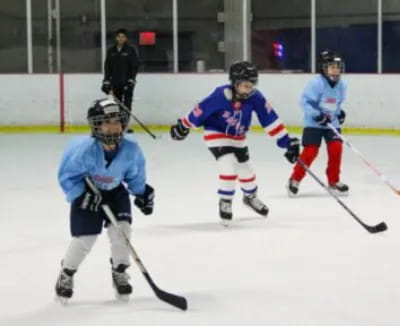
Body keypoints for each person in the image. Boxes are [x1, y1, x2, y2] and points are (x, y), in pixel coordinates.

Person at [170, 61, 300, 225]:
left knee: (246, 170)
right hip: (216, 133)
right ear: (235, 83)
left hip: (238, 137)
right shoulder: (220, 95)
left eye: (251, 85)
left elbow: (269, 118)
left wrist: (287, 141)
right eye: (245, 85)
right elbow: (200, 110)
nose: (249, 89)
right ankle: (225, 200)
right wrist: (183, 125)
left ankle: (250, 197)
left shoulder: (255, 97)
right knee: (228, 165)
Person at [54, 98, 155, 304]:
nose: (113, 126)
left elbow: (135, 174)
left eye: (117, 121)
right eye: (106, 122)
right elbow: (67, 176)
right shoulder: (84, 150)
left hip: (115, 194)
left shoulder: (130, 149)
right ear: (96, 125)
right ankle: (67, 273)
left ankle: (119, 271)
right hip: (87, 195)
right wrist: (81, 194)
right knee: (85, 239)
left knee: (123, 231)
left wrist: (142, 193)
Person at [287, 50, 348, 196]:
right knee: (310, 152)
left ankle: (333, 181)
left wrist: (339, 114)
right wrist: (316, 115)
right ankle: (294, 179)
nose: (336, 70)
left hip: (331, 123)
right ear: (324, 68)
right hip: (313, 123)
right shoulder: (316, 83)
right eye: (332, 67)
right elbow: (304, 102)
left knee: (336, 148)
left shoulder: (342, 85)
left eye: (338, 67)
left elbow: (337, 104)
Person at [101, 28, 139, 132]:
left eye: (123, 37)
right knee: (115, 106)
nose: (121, 39)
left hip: (127, 83)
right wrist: (106, 81)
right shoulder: (111, 51)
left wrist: (131, 81)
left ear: (126, 38)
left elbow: (134, 67)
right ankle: (117, 127)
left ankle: (124, 126)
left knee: (126, 105)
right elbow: (107, 67)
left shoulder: (130, 51)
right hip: (115, 84)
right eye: (119, 37)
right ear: (116, 38)